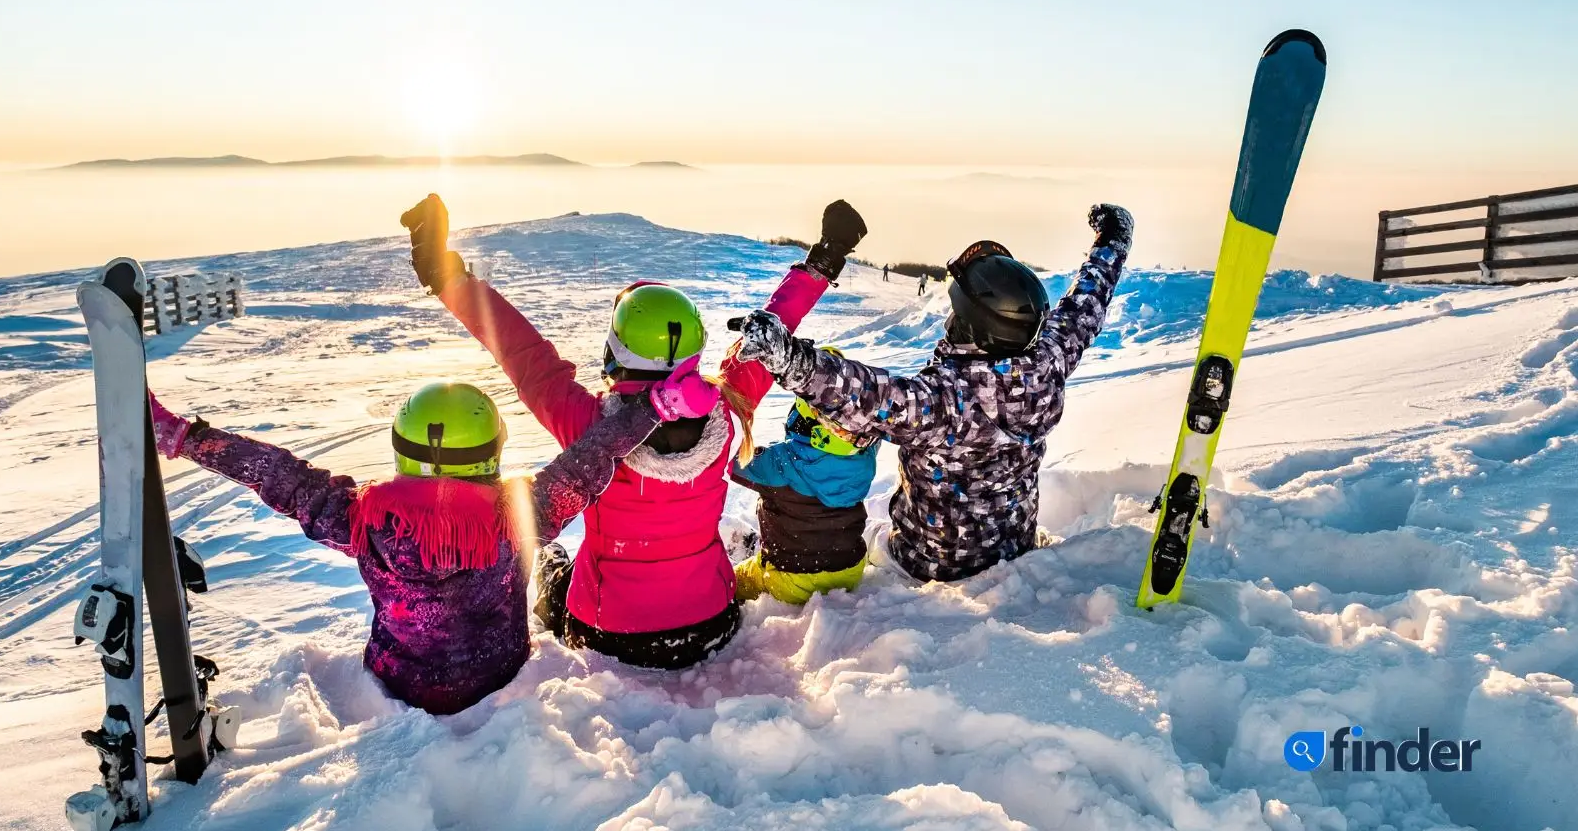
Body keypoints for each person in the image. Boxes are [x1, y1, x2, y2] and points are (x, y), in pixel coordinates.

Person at [401, 193, 867, 668]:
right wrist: (824, 260)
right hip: (711, 621)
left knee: (553, 568)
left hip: (609, 632)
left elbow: (523, 353)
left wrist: (446, 276)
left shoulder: (587, 426)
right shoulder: (726, 410)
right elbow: (770, 334)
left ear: (616, 350)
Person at [144, 363, 719, 715]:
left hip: (401, 684)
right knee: (554, 562)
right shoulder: (520, 516)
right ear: (491, 452)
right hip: (499, 676)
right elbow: (590, 460)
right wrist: (655, 407)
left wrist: (187, 438)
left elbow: (279, 476)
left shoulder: (362, 518)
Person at [732, 203, 1133, 583]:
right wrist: (1112, 241)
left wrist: (788, 357)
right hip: (1014, 545)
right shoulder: (1048, 361)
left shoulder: (944, 401)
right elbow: (1084, 306)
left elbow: (862, 395)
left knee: (863, 545)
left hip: (929, 562)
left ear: (971, 323)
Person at [730, 346, 879, 605]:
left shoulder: (779, 463)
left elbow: (730, 460)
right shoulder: (864, 456)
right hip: (850, 569)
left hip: (792, 579)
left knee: (733, 581)